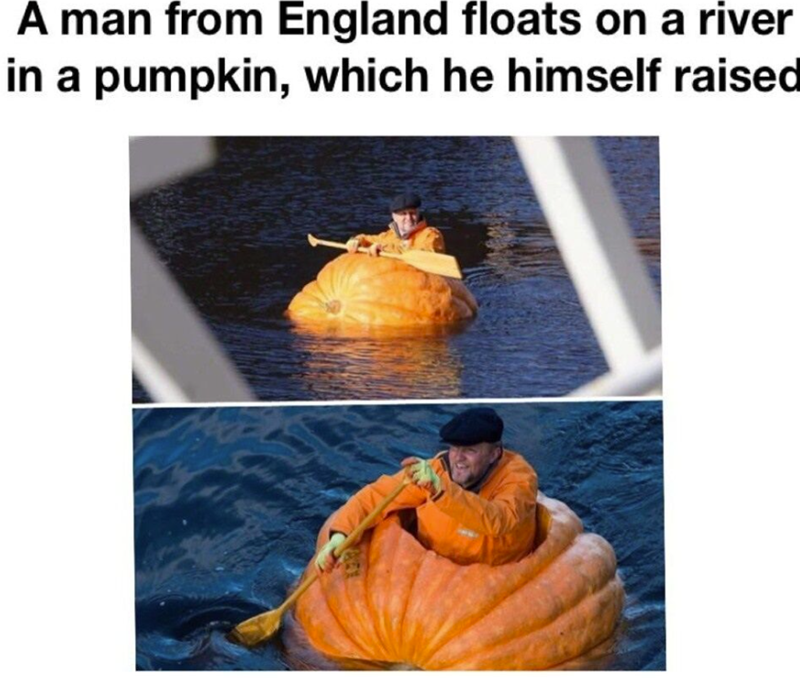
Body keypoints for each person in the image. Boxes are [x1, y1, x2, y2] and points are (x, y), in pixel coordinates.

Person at [315, 408, 538, 570]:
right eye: (454, 448)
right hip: (431, 572)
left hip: (496, 575)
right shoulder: (434, 470)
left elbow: (499, 520)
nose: (458, 459)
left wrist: (440, 491)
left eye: (470, 450)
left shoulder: (519, 479)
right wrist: (340, 535)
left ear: (495, 454)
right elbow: (377, 495)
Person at [346, 192, 446, 256]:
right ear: (394, 217)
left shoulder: (431, 234)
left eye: (412, 213)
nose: (409, 218)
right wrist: (356, 240)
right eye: (403, 214)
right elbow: (367, 239)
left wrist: (384, 249)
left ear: (418, 213)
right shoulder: (389, 235)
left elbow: (423, 255)